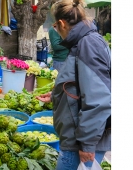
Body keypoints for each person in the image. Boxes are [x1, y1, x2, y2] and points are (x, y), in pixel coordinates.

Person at [36, 0, 111, 169]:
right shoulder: (83, 41)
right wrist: (57, 95)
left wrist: (87, 144)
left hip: (81, 141)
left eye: (55, 26)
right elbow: (82, 85)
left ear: (61, 24)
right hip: (79, 137)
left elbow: (98, 99)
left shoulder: (88, 44)